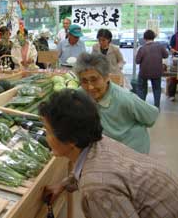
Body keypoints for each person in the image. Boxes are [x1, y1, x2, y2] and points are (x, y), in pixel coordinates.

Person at [41, 89, 178, 218]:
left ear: (70, 140)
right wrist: (64, 184)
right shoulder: (99, 141)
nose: (45, 136)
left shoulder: (97, 189)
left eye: (48, 131)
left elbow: (100, 180)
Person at [75, 52, 159, 154]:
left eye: (94, 80)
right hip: (106, 150)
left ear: (106, 77)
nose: (90, 87)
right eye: (84, 81)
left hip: (131, 151)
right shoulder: (80, 95)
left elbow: (152, 116)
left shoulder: (125, 98)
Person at [136, 29, 168, 108]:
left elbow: (137, 61)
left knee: (142, 89)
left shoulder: (142, 48)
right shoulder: (160, 46)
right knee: (157, 89)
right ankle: (157, 107)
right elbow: (166, 55)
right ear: (154, 37)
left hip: (144, 72)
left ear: (144, 38)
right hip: (157, 72)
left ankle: (142, 106)